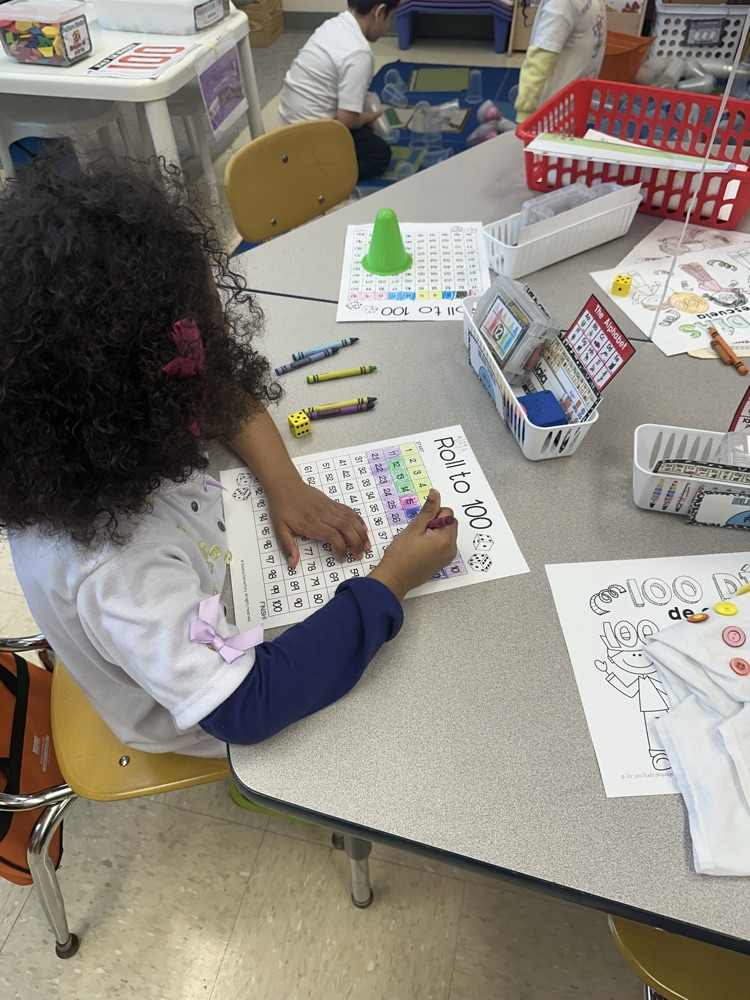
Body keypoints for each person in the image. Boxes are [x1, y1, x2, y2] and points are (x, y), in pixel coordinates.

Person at [0, 156, 458, 758]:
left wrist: (283, 481)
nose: (211, 357)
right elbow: (250, 706)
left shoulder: (85, 432)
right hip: (200, 712)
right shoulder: (118, 572)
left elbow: (216, 392)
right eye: (196, 347)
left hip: (217, 590)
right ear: (131, 397)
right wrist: (392, 579)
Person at [278, 0, 399, 181]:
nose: (388, 25)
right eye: (391, 17)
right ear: (379, 12)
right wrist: (367, 118)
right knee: (380, 154)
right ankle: (321, 174)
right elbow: (347, 120)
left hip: (286, 127)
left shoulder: (333, 25)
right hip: (311, 138)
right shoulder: (359, 54)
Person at [514, 0, 606, 124]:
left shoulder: (560, 4)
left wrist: (524, 113)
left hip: (550, 116)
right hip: (578, 106)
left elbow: (539, 61)